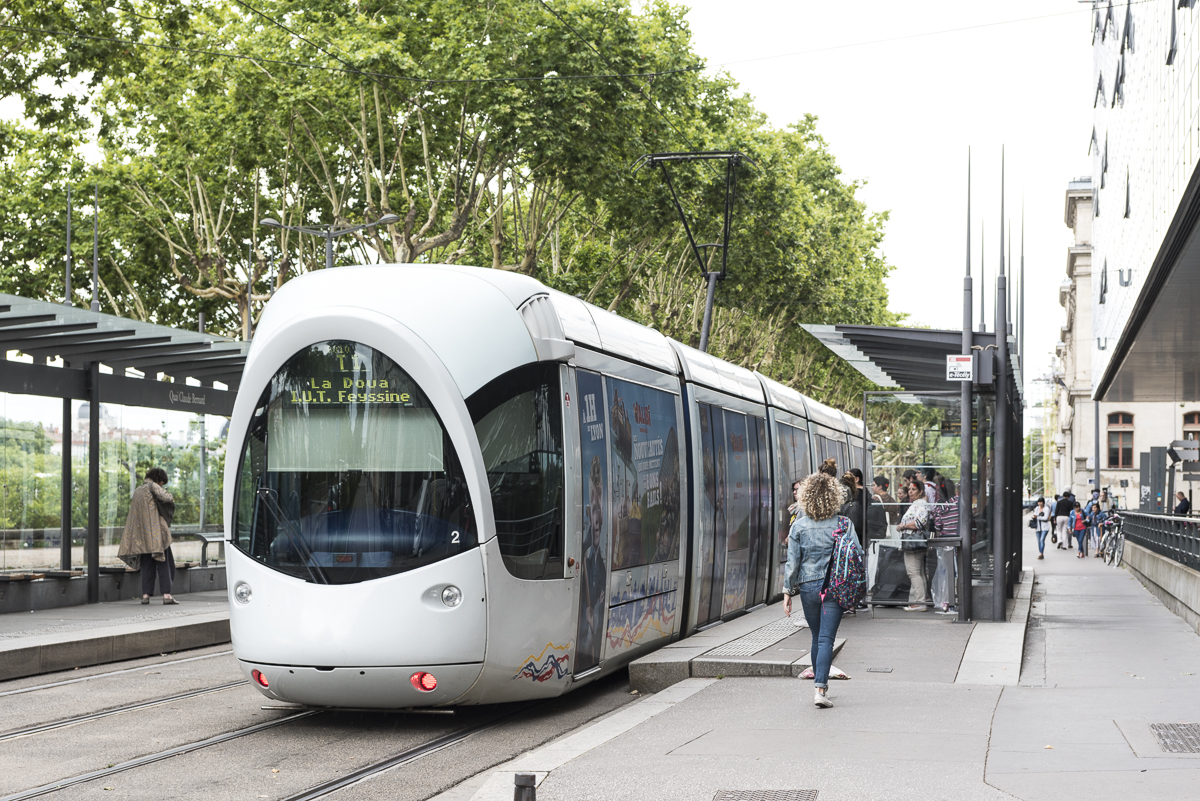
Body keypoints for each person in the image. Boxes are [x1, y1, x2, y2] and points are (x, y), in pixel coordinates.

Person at [782, 472, 862, 708]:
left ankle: (819, 684)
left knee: (816, 637)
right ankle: (820, 689)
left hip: (808, 588)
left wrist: (787, 592)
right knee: (827, 639)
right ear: (834, 496)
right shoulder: (844, 524)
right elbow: (857, 554)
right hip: (834, 588)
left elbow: (792, 562)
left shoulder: (798, 525)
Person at [117, 467, 178, 605]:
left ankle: (145, 595)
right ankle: (167, 595)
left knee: (147, 565)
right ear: (158, 479)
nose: (162, 485)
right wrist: (165, 493)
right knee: (165, 563)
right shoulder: (153, 486)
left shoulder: (138, 490)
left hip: (142, 537)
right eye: (162, 483)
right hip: (156, 534)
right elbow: (168, 498)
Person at [896, 479, 931, 611]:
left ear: (921, 491)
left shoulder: (920, 504)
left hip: (913, 542)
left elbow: (919, 523)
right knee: (919, 572)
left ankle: (920, 601)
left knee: (913, 572)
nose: (910, 492)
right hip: (914, 542)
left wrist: (902, 526)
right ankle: (922, 600)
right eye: (909, 489)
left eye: (914, 489)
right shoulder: (918, 504)